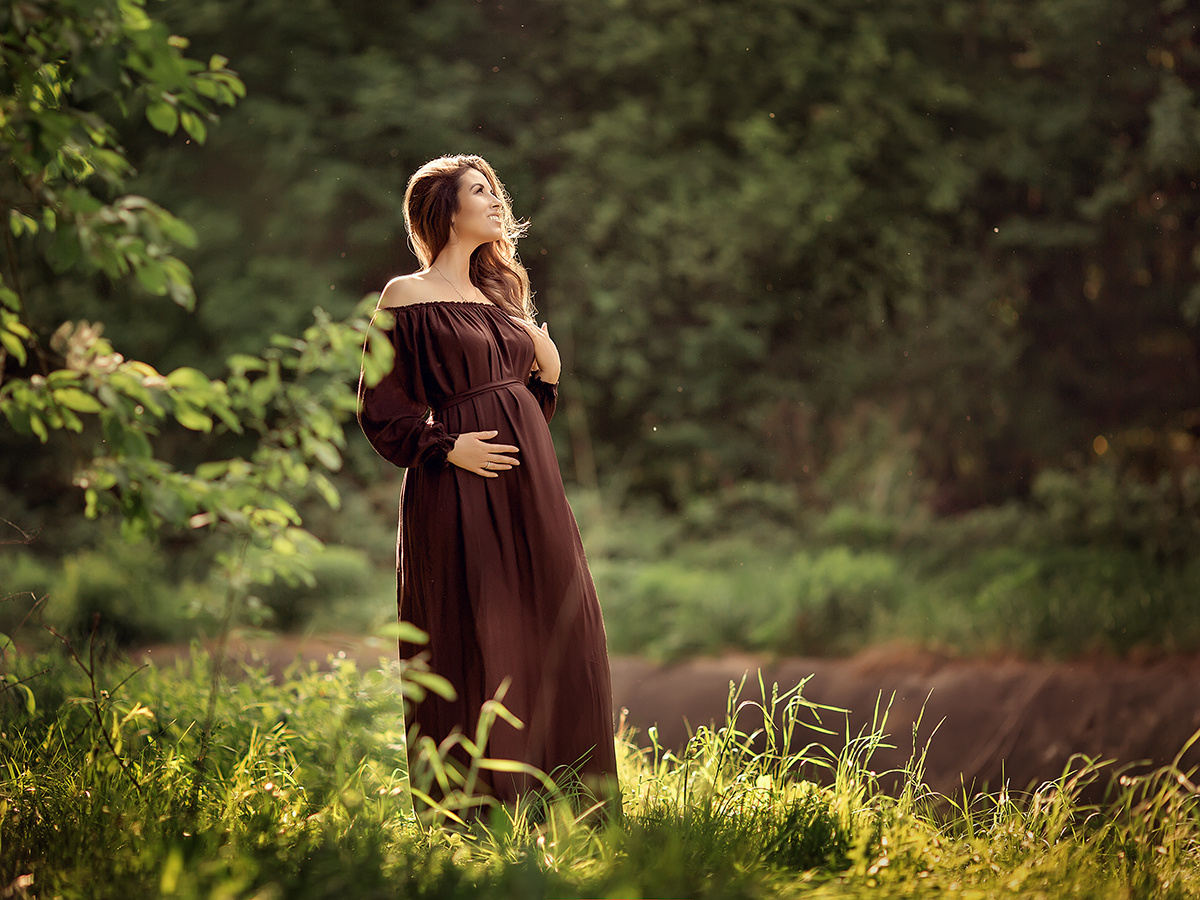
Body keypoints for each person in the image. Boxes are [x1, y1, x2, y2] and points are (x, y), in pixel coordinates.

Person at [357, 154, 619, 814]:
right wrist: (446, 448)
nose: (495, 200)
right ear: (444, 210)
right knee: (472, 631)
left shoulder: (500, 296)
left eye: (493, 189)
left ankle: (569, 809)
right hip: (455, 488)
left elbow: (527, 406)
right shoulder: (404, 295)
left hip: (531, 486)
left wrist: (548, 377)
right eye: (479, 190)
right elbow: (380, 412)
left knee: (560, 627)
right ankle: (472, 815)